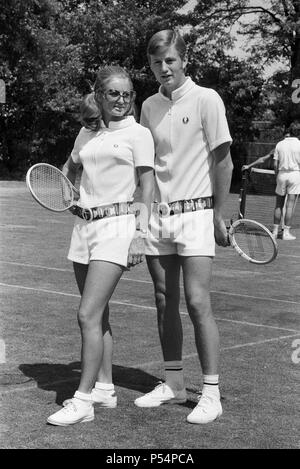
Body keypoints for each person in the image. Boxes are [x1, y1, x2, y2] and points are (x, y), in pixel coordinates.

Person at [134, 30, 233, 424]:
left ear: (184, 60)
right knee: (163, 299)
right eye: (157, 62)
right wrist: (141, 218)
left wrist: (218, 214)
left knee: (196, 301)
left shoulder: (207, 99)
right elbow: (146, 168)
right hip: (158, 216)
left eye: (170, 60)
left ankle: (211, 393)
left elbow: (223, 161)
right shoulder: (147, 106)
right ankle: (173, 382)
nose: (164, 68)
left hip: (196, 216)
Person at [47, 65, 155, 426]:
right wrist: (69, 194)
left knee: (86, 314)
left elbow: (147, 186)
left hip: (118, 228)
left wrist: (140, 232)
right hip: (84, 229)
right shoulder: (85, 132)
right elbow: (69, 168)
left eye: (127, 94)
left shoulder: (139, 134)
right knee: (100, 315)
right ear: (99, 96)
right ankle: (105, 388)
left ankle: (82, 401)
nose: (122, 100)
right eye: (114, 94)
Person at [243, 125, 300, 240]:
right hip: (295, 174)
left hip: (281, 175)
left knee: (278, 204)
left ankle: (274, 231)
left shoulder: (279, 144)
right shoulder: (298, 144)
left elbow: (271, 163)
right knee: (290, 205)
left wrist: (276, 175)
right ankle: (286, 233)